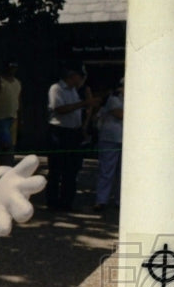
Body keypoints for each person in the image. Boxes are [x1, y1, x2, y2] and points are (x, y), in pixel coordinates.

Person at [46, 64, 99, 211]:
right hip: (59, 131)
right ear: (72, 75)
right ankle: (52, 202)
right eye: (80, 77)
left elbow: (78, 112)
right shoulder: (56, 88)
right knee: (56, 168)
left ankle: (67, 202)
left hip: (73, 132)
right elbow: (59, 109)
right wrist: (84, 103)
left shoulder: (75, 91)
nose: (82, 80)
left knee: (72, 169)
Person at [93, 78, 124, 211]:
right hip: (110, 138)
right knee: (107, 170)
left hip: (124, 139)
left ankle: (120, 200)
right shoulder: (114, 99)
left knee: (122, 172)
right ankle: (101, 200)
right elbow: (120, 114)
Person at [0, 60, 21, 163]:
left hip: (13, 117)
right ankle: (0, 164)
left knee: (12, 145)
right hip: (1, 118)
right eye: (11, 67)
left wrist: (20, 117)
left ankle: (8, 165)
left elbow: (18, 100)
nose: (12, 69)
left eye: (15, 67)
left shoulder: (18, 82)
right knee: (5, 143)